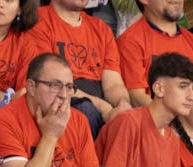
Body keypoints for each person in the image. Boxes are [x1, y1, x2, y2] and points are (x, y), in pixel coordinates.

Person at [14, 0, 129, 137]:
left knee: (131, 118)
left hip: (98, 97)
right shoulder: (37, 21)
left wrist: (123, 105)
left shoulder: (101, 28)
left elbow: (113, 84)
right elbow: (51, 83)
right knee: (86, 110)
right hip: (61, 97)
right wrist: (103, 107)